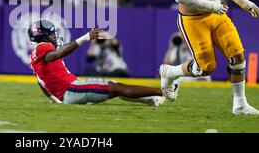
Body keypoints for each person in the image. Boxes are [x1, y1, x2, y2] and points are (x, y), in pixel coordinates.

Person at [28, 20, 168, 106]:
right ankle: (162, 92)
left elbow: (41, 82)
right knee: (115, 88)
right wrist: (85, 37)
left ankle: (150, 99)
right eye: (51, 34)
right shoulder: (43, 47)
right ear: (42, 36)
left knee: (114, 89)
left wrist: (55, 100)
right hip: (72, 89)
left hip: (70, 91)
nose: (54, 36)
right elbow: (58, 54)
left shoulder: (35, 54)